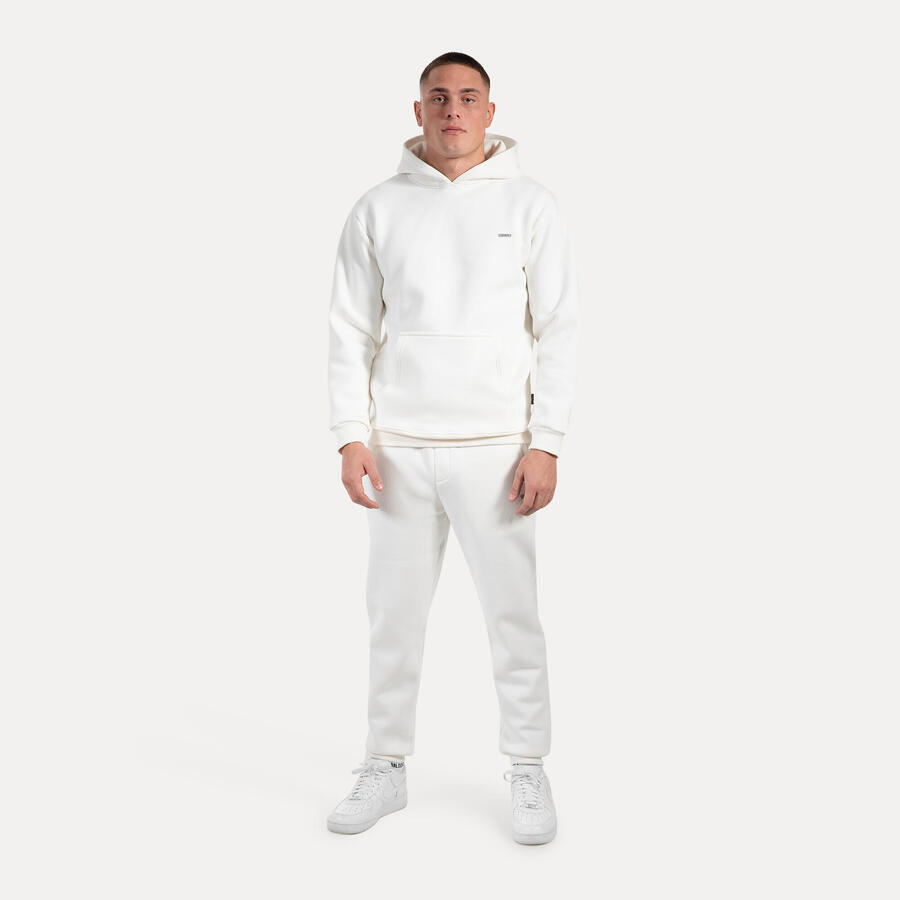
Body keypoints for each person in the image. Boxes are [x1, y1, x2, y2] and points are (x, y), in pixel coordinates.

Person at [325, 51, 578, 845]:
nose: (453, 111)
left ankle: (528, 766)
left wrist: (547, 441)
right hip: (399, 446)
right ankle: (385, 764)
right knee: (391, 619)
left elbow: (559, 329)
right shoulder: (377, 208)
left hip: (498, 448)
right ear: (418, 110)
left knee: (513, 617)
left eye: (469, 97)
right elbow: (350, 329)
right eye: (439, 97)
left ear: (490, 111)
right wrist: (350, 435)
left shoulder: (531, 205)